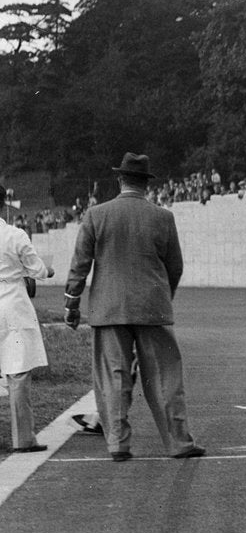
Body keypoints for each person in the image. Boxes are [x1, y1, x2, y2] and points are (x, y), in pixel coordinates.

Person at [64, 152, 204, 462]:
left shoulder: (96, 215)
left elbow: (80, 264)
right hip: (151, 307)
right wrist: (162, 298)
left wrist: (71, 304)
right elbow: (175, 267)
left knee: (114, 375)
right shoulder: (162, 217)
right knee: (165, 377)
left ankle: (118, 443)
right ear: (146, 183)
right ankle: (179, 442)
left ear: (120, 180)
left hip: (108, 308)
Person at [0, 187, 54, 453]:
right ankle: (23, 438)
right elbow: (38, 269)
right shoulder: (14, 235)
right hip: (11, 302)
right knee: (17, 371)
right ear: (4, 206)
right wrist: (47, 269)